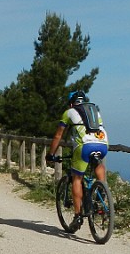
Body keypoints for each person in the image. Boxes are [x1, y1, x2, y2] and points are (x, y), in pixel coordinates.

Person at [46, 90, 108, 229]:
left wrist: (50, 154)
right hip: (103, 144)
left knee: (77, 178)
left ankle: (78, 215)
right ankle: (101, 190)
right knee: (97, 163)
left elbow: (58, 136)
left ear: (71, 103)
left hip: (84, 147)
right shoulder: (94, 111)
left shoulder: (69, 112)